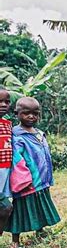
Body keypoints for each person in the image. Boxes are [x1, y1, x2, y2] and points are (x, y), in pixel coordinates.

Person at [6, 97, 60, 248]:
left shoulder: (39, 133)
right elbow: (16, 158)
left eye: (35, 113)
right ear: (17, 113)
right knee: (20, 211)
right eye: (26, 113)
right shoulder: (16, 135)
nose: (31, 116)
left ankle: (40, 231)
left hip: (41, 180)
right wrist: (24, 178)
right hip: (27, 181)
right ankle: (15, 241)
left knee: (40, 206)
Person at [0, 87, 13, 235]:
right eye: (0, 102)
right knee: (6, 207)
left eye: (7, 102)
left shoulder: (8, 124)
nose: (4, 105)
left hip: (5, 171)